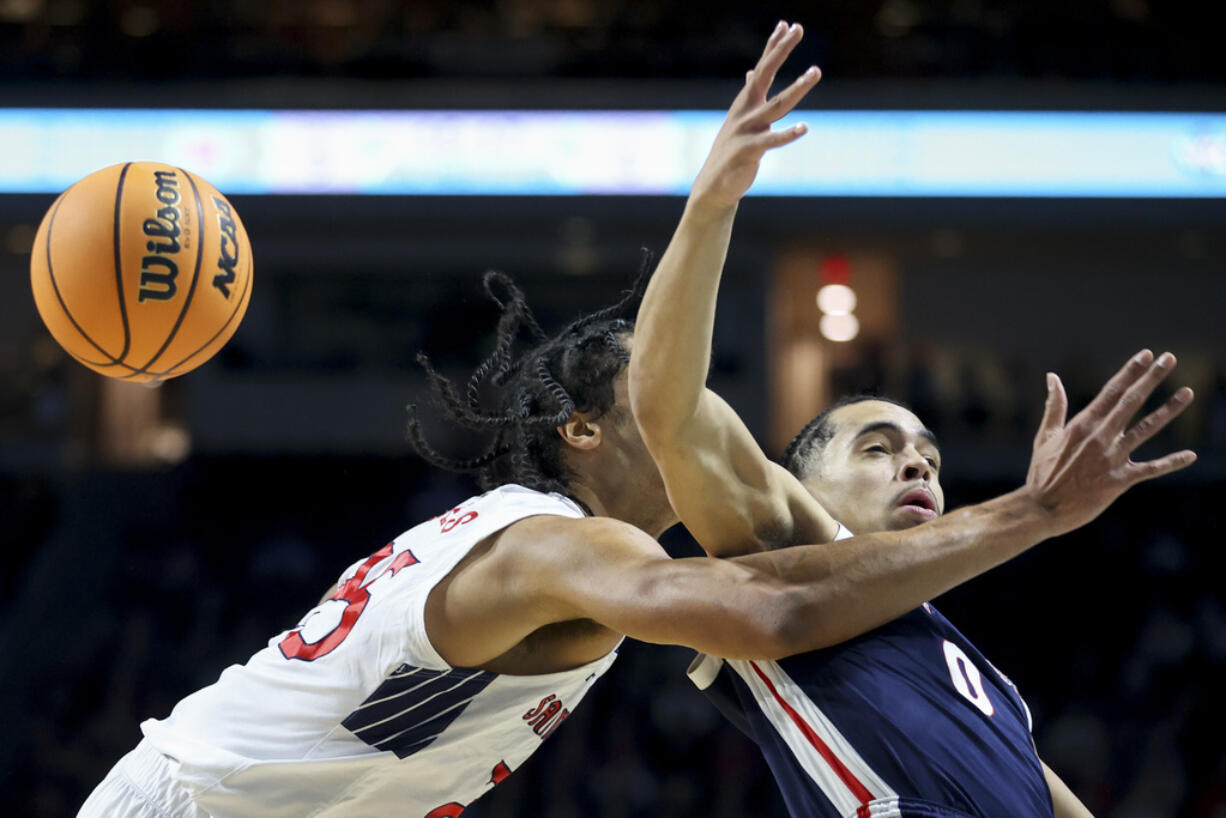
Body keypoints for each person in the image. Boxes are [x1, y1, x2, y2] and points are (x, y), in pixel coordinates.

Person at [79, 26, 1192, 818]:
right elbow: (775, 599)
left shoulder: (562, 555)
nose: (702, 412)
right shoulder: (557, 542)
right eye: (666, 396)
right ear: (579, 431)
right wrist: (1035, 512)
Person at [628, 20, 1196, 818]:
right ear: (801, 486)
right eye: (878, 446)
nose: (919, 464)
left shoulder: (986, 682)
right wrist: (711, 204)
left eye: (928, 452)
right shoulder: (784, 543)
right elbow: (667, 409)